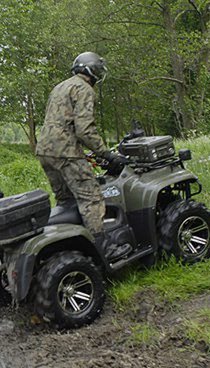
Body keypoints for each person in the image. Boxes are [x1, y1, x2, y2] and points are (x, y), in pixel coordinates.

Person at [36, 52, 129, 259]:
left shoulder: (60, 87)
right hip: (66, 152)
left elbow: (60, 123)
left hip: (45, 150)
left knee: (65, 200)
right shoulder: (84, 88)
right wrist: (106, 153)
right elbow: (84, 129)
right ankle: (105, 249)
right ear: (91, 71)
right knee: (92, 198)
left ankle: (69, 247)